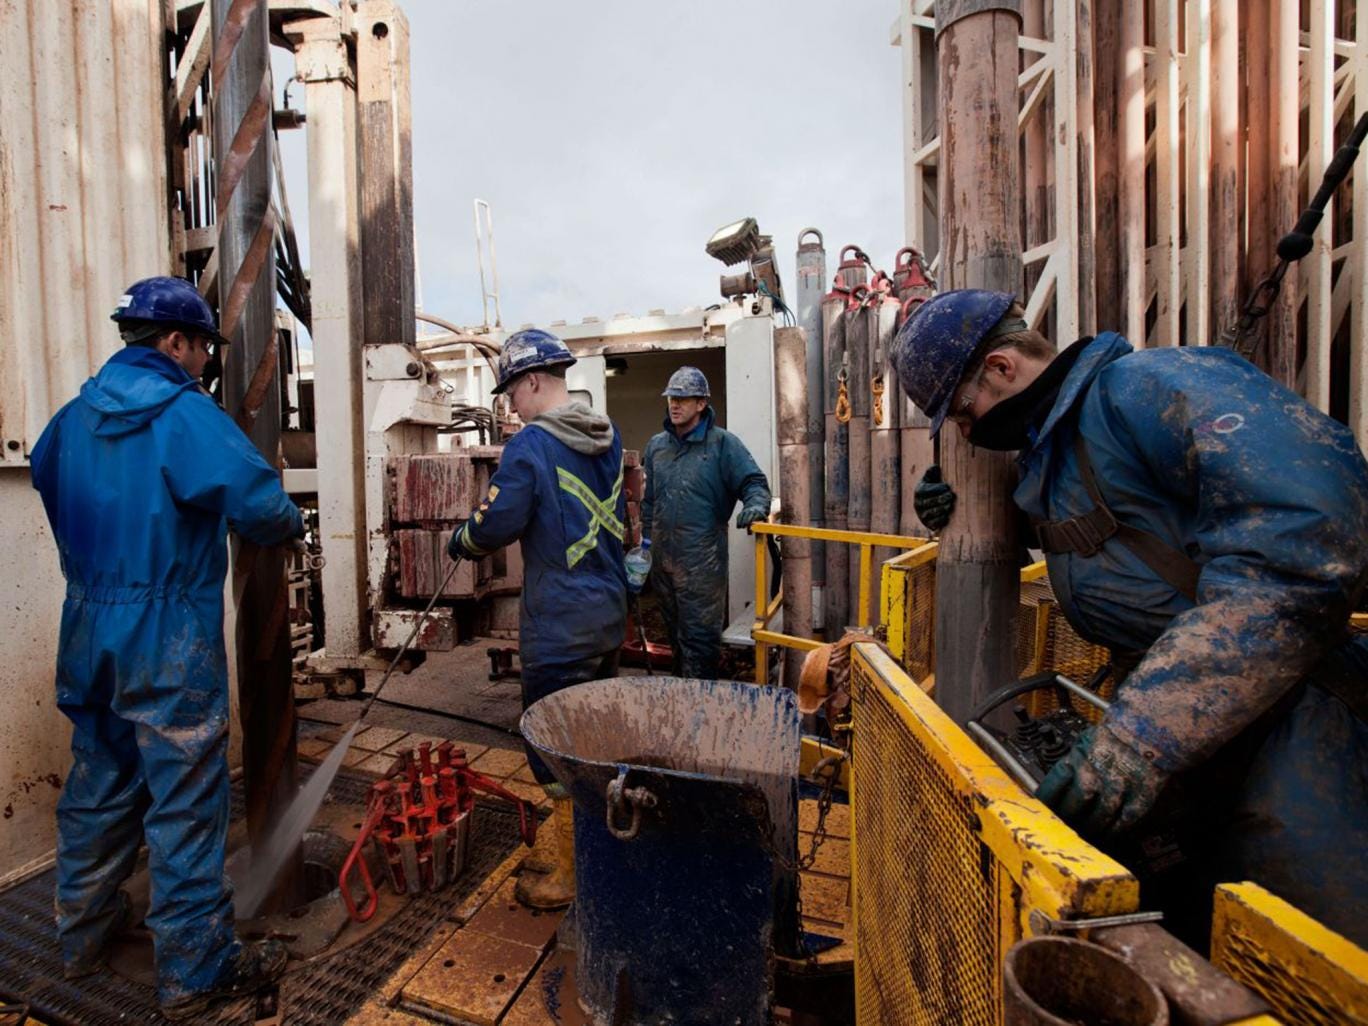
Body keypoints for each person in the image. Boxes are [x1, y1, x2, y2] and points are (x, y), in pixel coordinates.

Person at [892, 288, 1368, 947]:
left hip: (1292, 719)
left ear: (1003, 368)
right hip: (1191, 732)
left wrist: (1142, 734)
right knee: (1201, 929)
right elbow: (1114, 536)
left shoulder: (1143, 389)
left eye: (966, 416)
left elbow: (1308, 530)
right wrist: (967, 509)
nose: (970, 436)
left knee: (1314, 949)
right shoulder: (1053, 448)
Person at [29, 277, 304, 1019]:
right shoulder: (185, 416)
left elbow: (50, 488)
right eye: (203, 351)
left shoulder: (68, 420)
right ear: (175, 343)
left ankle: (80, 932)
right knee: (185, 794)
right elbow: (256, 500)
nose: (205, 366)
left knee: (100, 777)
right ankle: (194, 969)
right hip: (164, 632)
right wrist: (288, 526)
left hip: (87, 621)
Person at [447, 329, 627, 910]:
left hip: (559, 625)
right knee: (594, 740)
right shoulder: (607, 435)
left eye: (510, 393)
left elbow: (496, 522)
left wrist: (462, 541)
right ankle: (604, 849)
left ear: (531, 382)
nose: (509, 406)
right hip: (606, 613)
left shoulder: (531, 447)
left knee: (551, 749)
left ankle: (578, 875)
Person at [635, 366, 771, 680]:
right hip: (664, 562)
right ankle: (682, 699)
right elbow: (650, 501)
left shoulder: (723, 444)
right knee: (674, 638)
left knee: (700, 640)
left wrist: (755, 506)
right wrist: (643, 548)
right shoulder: (657, 446)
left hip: (701, 563)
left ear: (702, 403)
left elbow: (754, 482)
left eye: (684, 398)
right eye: (671, 398)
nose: (675, 404)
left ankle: (700, 708)